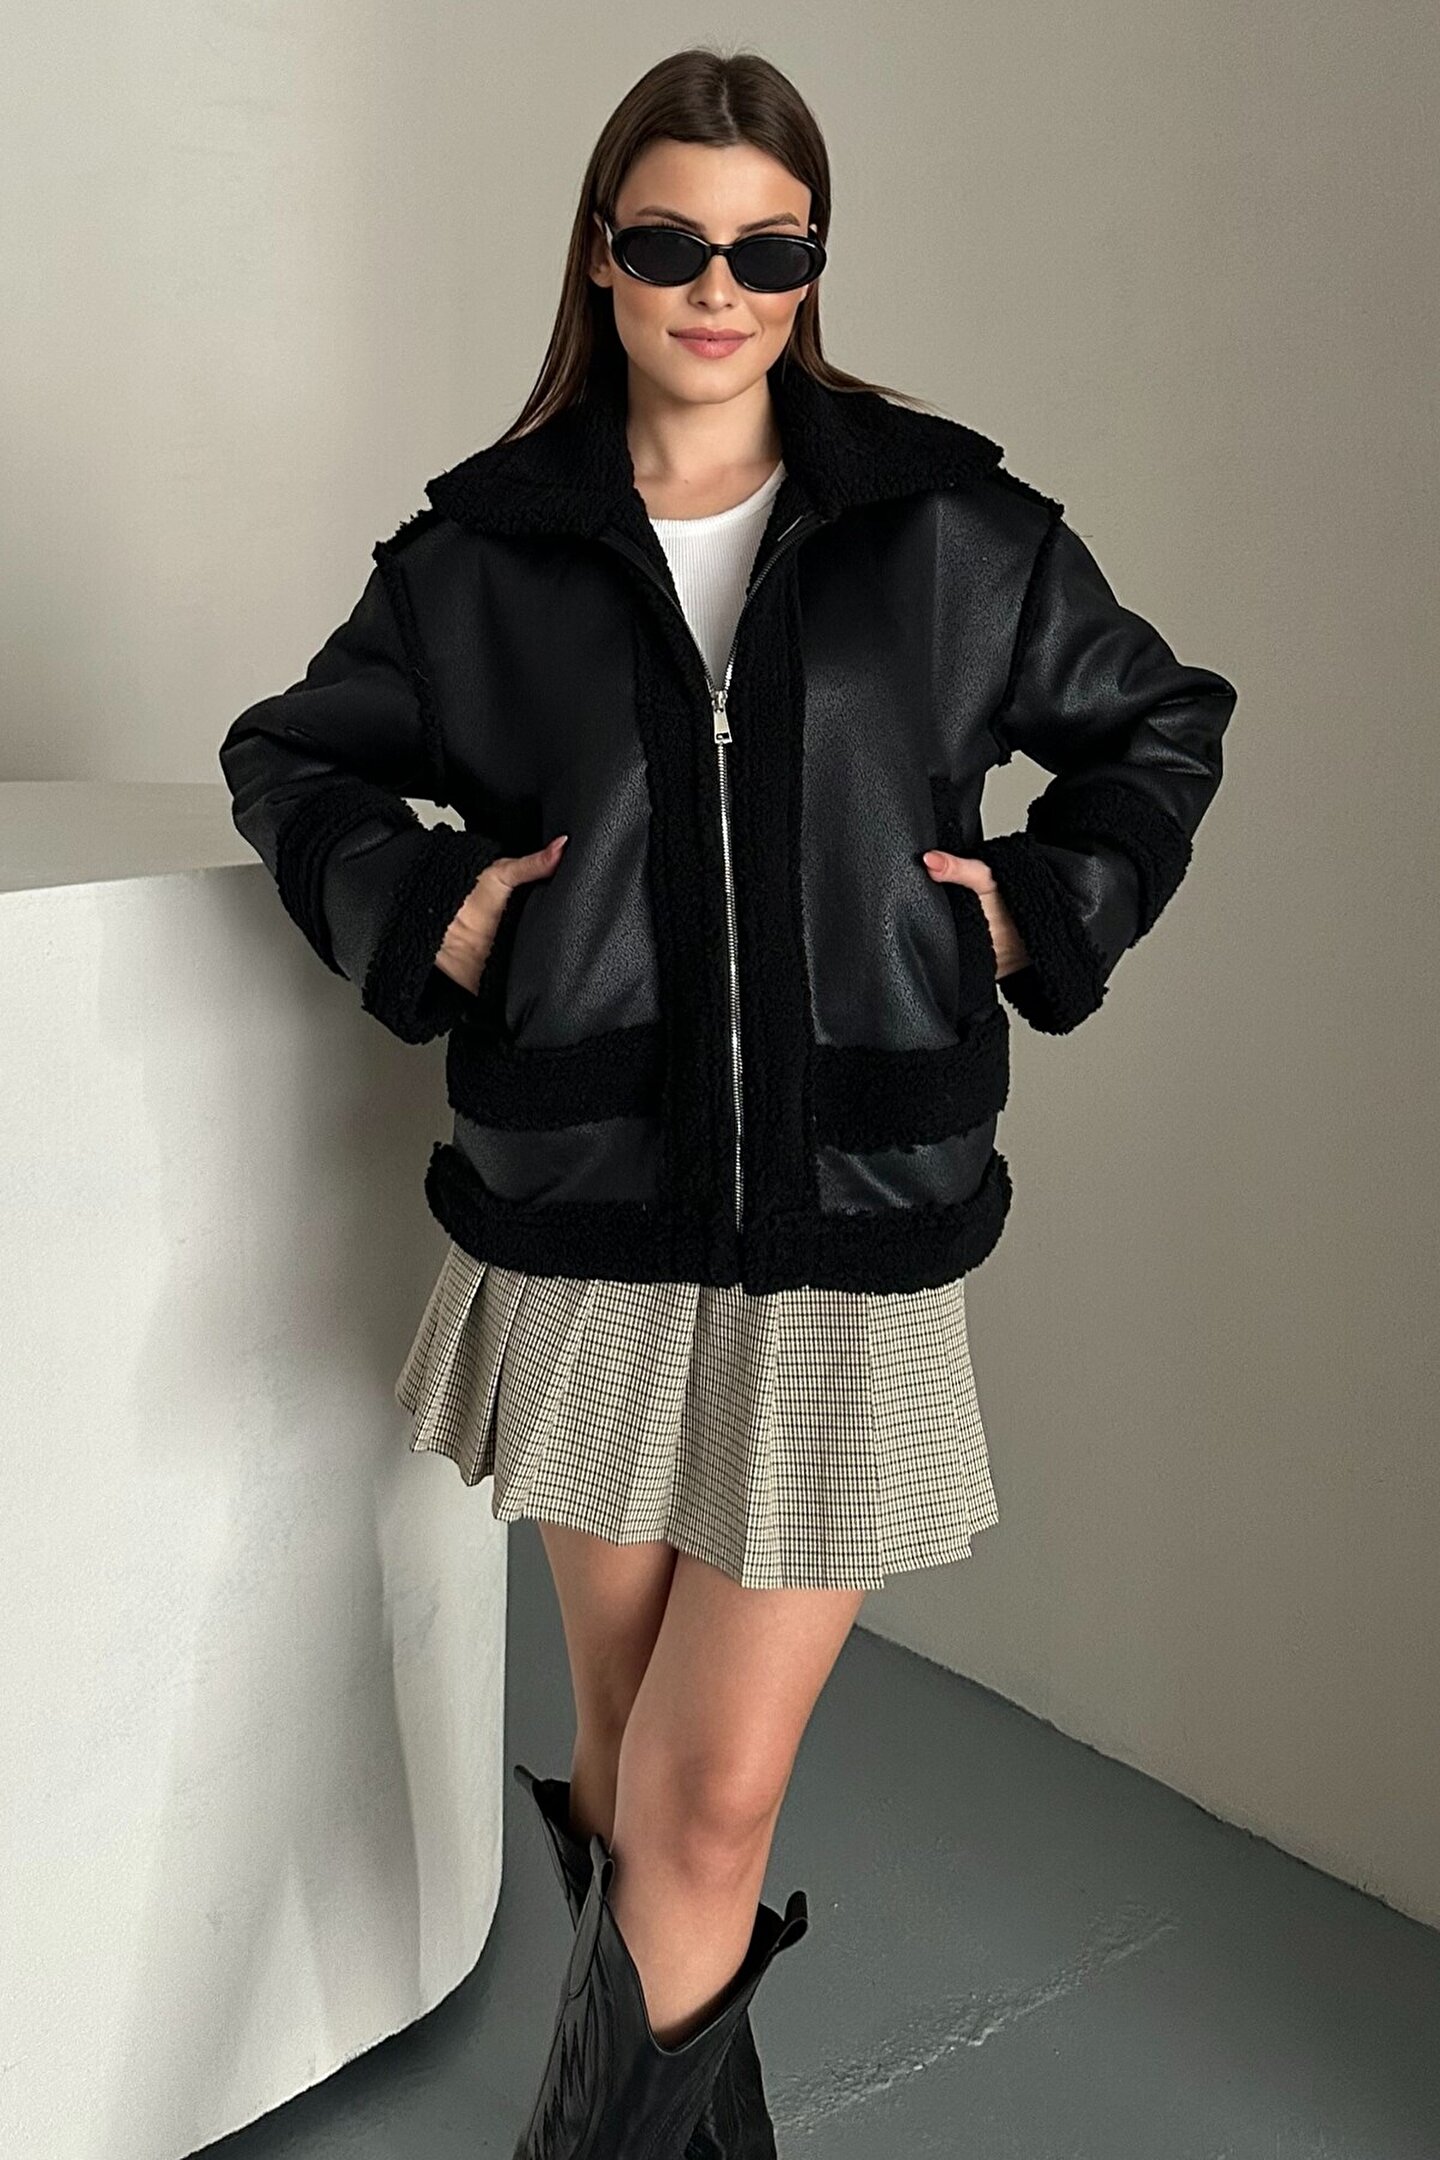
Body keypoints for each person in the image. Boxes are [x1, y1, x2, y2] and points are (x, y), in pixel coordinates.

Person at [218, 44, 1238, 2160]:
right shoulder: (486, 554)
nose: (720, 286)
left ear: (814, 267)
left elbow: (1159, 724)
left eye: (771, 251)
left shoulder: (945, 530)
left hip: (855, 1213)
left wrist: (1041, 908)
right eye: (673, 241)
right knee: (630, 1773)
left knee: (706, 1798)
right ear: (601, 255)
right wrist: (432, 911)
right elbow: (288, 757)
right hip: (583, 1204)